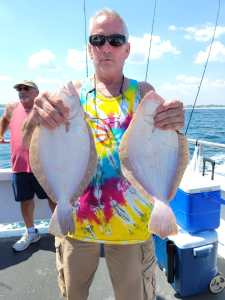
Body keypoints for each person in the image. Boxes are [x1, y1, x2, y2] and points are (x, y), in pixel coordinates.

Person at [23, 9, 184, 300]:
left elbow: (162, 145)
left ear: (127, 49)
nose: (106, 47)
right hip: (75, 222)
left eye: (115, 39)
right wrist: (39, 117)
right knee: (73, 294)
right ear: (89, 49)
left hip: (132, 227)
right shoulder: (71, 95)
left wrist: (175, 125)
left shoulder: (144, 93)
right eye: (98, 40)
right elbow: (39, 142)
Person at [0, 80, 56, 252]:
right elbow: (4, 120)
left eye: (26, 88)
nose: (22, 91)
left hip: (44, 166)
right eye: (19, 89)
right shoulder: (11, 108)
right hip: (20, 165)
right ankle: (31, 233)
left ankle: (59, 233)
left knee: (53, 200)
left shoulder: (45, 109)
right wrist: (1, 134)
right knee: (25, 201)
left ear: (36, 92)